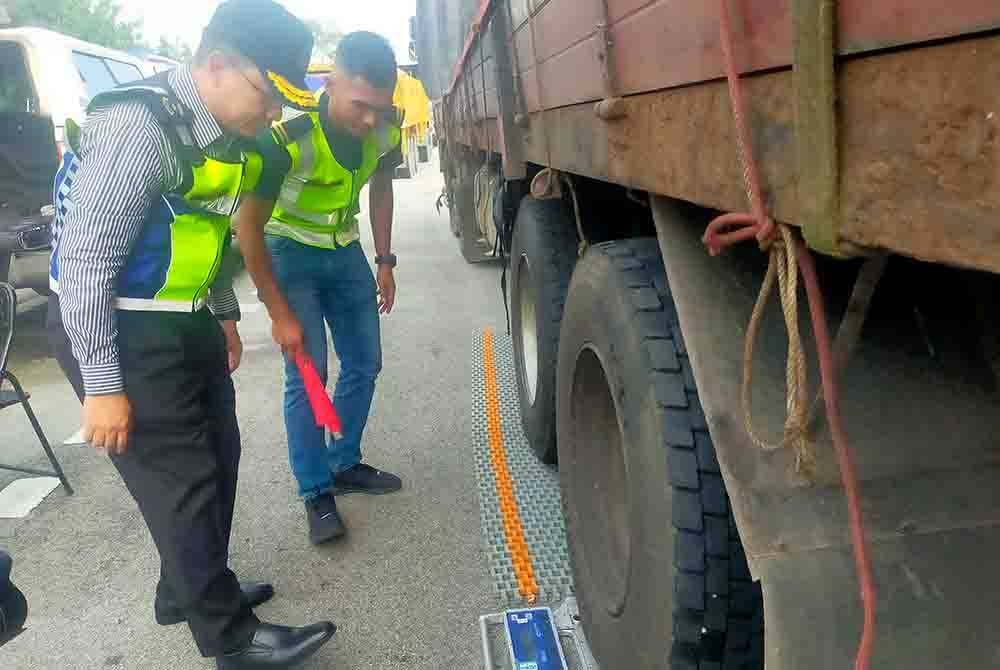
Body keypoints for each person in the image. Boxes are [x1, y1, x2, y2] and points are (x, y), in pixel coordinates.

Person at [45, 1, 336, 667]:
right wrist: (103, 384)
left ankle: (187, 588)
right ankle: (229, 635)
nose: (272, 116)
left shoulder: (218, 134)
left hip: (183, 316)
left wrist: (223, 312)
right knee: (185, 478)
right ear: (214, 65)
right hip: (117, 324)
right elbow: (86, 264)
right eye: (267, 96)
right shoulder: (136, 126)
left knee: (221, 456)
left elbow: (199, 229)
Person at [234, 31, 404, 546]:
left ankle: (343, 461)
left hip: (345, 251)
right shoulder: (286, 142)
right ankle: (315, 491)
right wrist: (277, 309)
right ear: (330, 84)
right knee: (309, 376)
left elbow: (380, 188)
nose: (370, 119)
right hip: (290, 256)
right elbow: (248, 231)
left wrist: (385, 258)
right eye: (360, 105)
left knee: (365, 362)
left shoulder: (385, 132)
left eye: (380, 107)